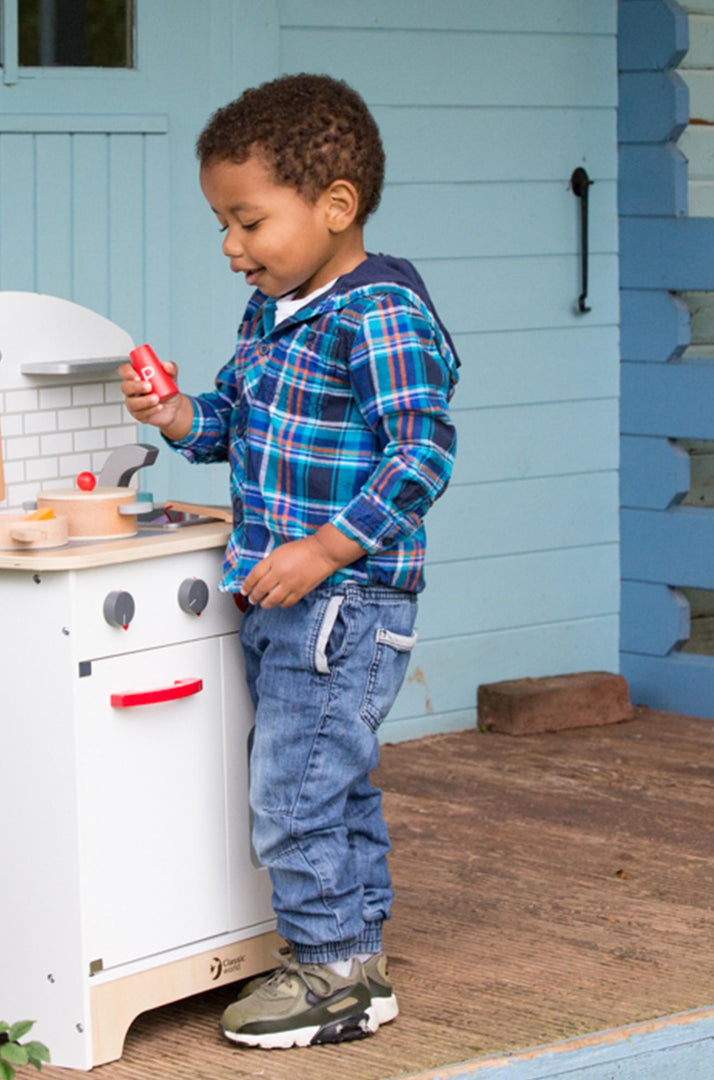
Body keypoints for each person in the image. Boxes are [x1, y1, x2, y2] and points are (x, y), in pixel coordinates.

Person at [119, 72, 459, 1049]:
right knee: (329, 780)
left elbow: (421, 454)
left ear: (335, 205)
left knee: (294, 789)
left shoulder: (377, 315)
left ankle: (324, 974)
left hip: (342, 599)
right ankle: (355, 961)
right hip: (291, 599)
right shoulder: (275, 310)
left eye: (249, 221)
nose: (232, 245)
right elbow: (232, 420)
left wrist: (320, 549)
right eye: (223, 223)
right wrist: (179, 415)